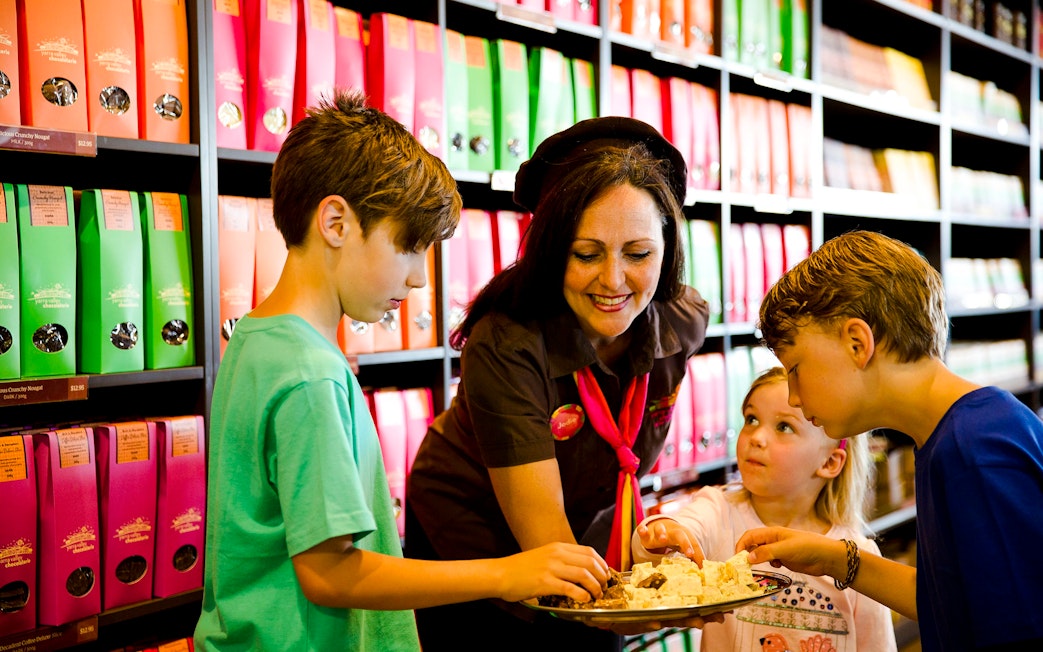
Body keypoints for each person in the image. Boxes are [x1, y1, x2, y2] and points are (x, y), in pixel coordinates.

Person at [194, 90, 613, 652]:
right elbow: (329, 574)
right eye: (409, 247)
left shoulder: (254, 339)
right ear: (337, 223)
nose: (419, 278)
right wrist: (508, 572)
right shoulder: (310, 375)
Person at [405, 116, 711, 650]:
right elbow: (546, 545)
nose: (614, 281)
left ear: (667, 244)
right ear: (549, 252)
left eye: (638, 254)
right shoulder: (505, 343)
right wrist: (644, 605)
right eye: (586, 254)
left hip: (586, 532)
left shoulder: (685, 320)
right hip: (479, 538)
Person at [733, 230, 1043, 651]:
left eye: (796, 369)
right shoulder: (949, 437)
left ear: (858, 344)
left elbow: (1018, 629)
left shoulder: (975, 451)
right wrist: (831, 558)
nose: (793, 396)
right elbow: (948, 599)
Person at [633, 366, 897, 650]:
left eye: (784, 426)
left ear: (830, 462)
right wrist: (662, 536)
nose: (756, 437)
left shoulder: (855, 558)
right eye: (751, 419)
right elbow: (666, 542)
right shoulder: (718, 508)